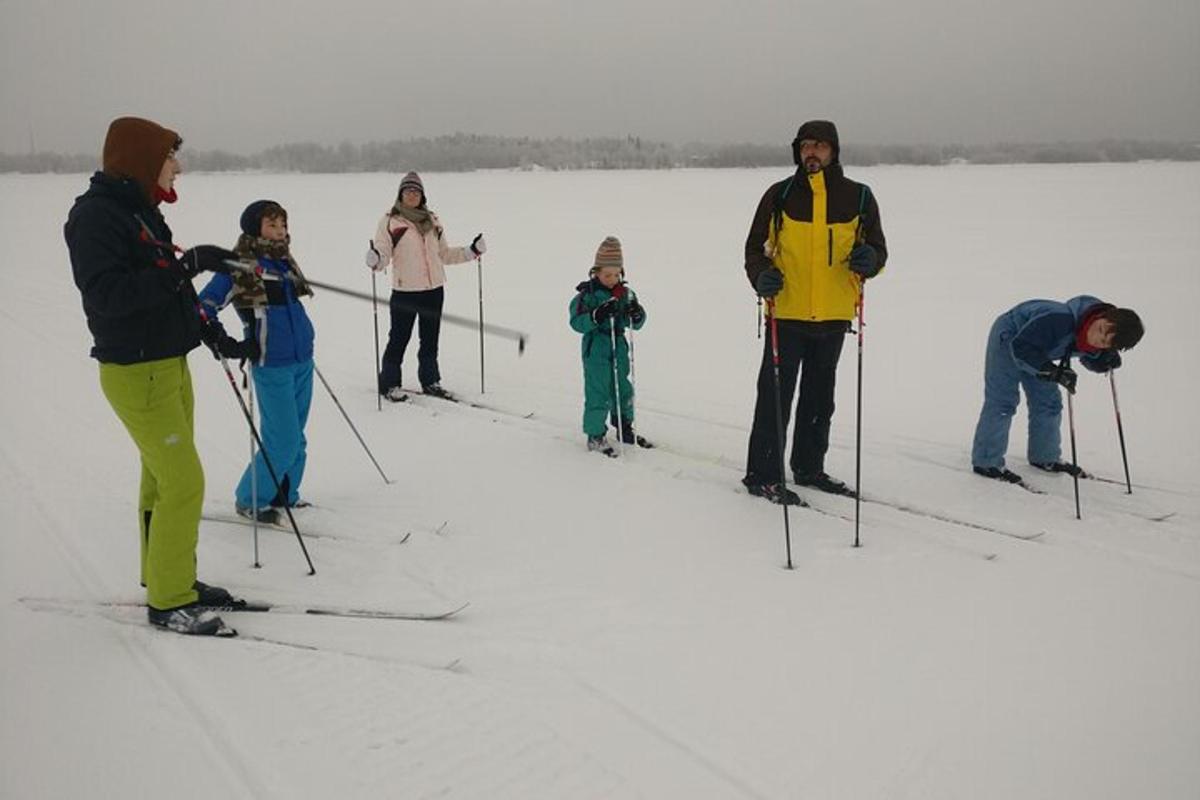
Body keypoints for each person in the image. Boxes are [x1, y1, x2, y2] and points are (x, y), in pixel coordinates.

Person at [64, 116, 250, 636]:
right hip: (135, 370)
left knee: (160, 480)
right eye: (171, 158)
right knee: (184, 482)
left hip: (168, 361)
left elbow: (168, 285)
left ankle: (170, 577)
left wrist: (208, 329)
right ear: (143, 160)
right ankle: (170, 602)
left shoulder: (138, 211)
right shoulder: (95, 218)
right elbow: (110, 296)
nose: (179, 167)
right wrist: (187, 264)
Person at [742, 120, 887, 505]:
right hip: (786, 313)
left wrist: (870, 260)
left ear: (834, 151)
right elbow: (755, 248)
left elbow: (878, 250)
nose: (813, 153)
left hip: (834, 315)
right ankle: (763, 475)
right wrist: (761, 276)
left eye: (821, 146)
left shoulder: (859, 198)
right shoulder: (780, 195)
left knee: (820, 398)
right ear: (797, 151)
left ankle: (808, 467)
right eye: (806, 146)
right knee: (775, 398)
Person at [198, 200, 316, 523]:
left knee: (297, 436)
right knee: (284, 439)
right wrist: (228, 343)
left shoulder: (284, 262)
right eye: (271, 225)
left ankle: (284, 494)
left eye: (282, 225)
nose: (279, 232)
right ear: (254, 228)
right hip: (271, 364)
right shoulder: (239, 266)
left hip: (302, 359)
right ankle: (250, 499)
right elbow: (203, 308)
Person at [971, 297, 1143, 482]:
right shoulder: (1058, 320)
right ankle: (986, 462)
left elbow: (1087, 354)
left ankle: (1045, 457)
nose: (1096, 338)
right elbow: (1021, 347)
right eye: (1100, 329)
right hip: (1010, 336)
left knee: (1049, 403)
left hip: (1039, 350)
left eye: (1103, 342)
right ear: (1102, 316)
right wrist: (1051, 370)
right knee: (1003, 402)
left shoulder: (1099, 340)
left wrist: (1103, 362)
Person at [365, 171, 485, 402]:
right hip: (405, 291)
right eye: (408, 191)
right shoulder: (391, 221)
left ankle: (430, 381)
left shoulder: (432, 220)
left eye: (416, 191)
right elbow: (384, 254)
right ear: (401, 194)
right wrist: (375, 260)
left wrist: (472, 251)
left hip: (434, 290)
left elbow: (444, 254)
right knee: (399, 338)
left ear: (422, 195)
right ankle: (389, 383)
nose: (412, 195)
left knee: (430, 339)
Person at [568, 236, 651, 457]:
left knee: (622, 389)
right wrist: (596, 315)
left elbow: (637, 322)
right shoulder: (587, 296)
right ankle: (595, 435)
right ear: (596, 272)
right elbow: (577, 323)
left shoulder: (625, 294)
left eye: (617, 274)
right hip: (596, 349)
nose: (612, 279)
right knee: (598, 391)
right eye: (607, 275)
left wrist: (636, 313)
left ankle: (624, 426)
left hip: (619, 347)